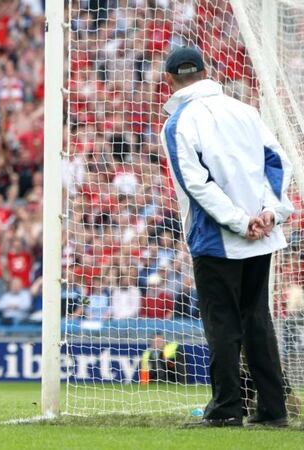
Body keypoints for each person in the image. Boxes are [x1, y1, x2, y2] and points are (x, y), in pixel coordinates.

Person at [159, 46, 294, 427]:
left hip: (217, 237)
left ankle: (226, 408)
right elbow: (277, 161)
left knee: (221, 322)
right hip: (262, 232)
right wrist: (269, 212)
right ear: (206, 71)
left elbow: (195, 184)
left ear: (169, 80)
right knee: (256, 318)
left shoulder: (178, 124)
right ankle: (272, 408)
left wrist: (238, 221)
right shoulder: (246, 111)